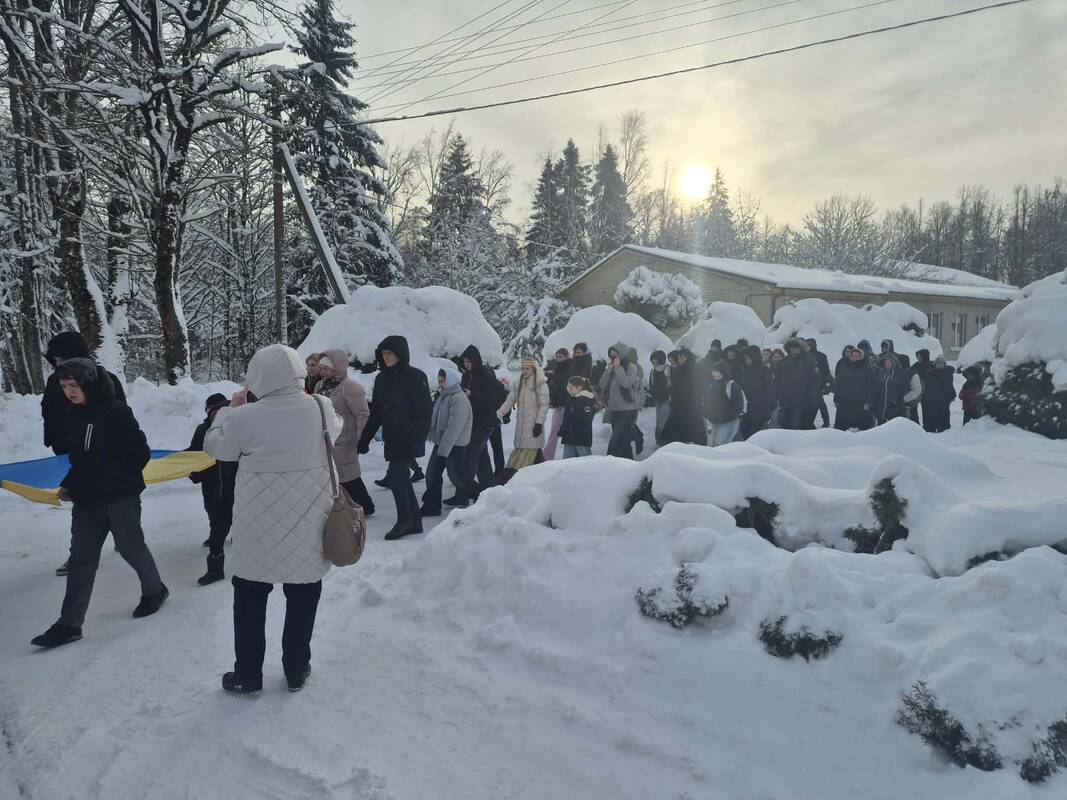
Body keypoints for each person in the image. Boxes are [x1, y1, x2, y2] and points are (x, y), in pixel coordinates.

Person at [204, 344, 341, 694]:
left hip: (257, 528)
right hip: (309, 523)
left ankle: (248, 674)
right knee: (304, 595)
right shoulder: (320, 407)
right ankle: (296, 669)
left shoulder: (244, 416)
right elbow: (336, 431)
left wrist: (226, 411)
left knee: (250, 598)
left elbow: (215, 448)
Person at [31, 358, 167, 649]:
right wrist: (71, 481)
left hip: (120, 498)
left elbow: (139, 454)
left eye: (74, 385)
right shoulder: (73, 415)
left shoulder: (116, 411)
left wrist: (105, 480)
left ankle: (155, 590)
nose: (69, 391)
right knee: (81, 559)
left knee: (130, 547)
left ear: (89, 383)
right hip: (87, 501)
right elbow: (82, 459)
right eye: (64, 385)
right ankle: (69, 624)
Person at [41, 331, 128, 577]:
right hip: (72, 455)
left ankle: (124, 540)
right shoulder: (55, 382)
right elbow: (50, 412)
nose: (57, 365)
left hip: (104, 454)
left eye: (59, 359)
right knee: (83, 503)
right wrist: (55, 442)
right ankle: (80, 555)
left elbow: (121, 413)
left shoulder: (105, 378)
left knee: (111, 500)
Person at [358, 336, 433, 541]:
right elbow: (377, 414)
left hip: (409, 438)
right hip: (392, 437)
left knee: (397, 477)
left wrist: (416, 438)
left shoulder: (415, 376)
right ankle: (414, 520)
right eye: (383, 353)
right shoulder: (382, 379)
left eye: (390, 352)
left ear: (400, 353)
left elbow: (425, 411)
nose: (386, 357)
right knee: (400, 479)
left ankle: (405, 519)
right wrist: (365, 439)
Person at [315, 351, 374, 517]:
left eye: (326, 368)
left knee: (349, 477)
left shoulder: (350, 387)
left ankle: (365, 506)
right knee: (333, 477)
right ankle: (341, 507)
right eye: (321, 368)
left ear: (337, 367)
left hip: (346, 440)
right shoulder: (320, 386)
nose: (322, 372)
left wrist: (362, 439)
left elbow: (362, 414)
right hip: (327, 439)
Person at [188, 393, 238, 585]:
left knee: (231, 521)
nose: (215, 417)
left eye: (219, 412)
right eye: (211, 413)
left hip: (234, 487)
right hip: (211, 485)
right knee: (212, 515)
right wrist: (192, 471)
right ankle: (216, 564)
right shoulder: (203, 430)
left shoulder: (235, 428)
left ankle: (218, 565)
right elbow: (194, 452)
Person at [421, 368, 475, 516]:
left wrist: (443, 450)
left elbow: (454, 428)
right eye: (439, 381)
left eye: (442, 381)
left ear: (450, 380)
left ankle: (481, 495)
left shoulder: (459, 399)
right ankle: (432, 505)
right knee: (432, 474)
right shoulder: (444, 396)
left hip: (455, 445)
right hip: (443, 443)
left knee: (457, 476)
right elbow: (436, 419)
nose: (440, 384)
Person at [458, 344, 502, 503]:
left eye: (469, 361)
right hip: (472, 421)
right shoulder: (466, 376)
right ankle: (489, 490)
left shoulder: (486, 375)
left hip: (485, 422)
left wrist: (472, 395)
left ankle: (463, 493)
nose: (466, 364)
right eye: (464, 361)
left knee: (470, 458)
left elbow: (491, 399)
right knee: (481, 459)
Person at [498, 357, 550, 476]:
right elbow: (510, 400)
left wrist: (539, 423)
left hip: (533, 426)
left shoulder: (541, 384)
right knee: (529, 454)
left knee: (529, 454)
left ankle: (517, 477)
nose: (524, 371)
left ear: (534, 369)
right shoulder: (519, 383)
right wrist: (498, 414)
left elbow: (544, 405)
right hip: (521, 427)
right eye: (523, 368)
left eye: (527, 368)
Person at [598, 343, 642, 459]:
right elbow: (602, 384)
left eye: (615, 355)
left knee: (615, 440)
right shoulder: (611, 367)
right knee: (623, 440)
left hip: (628, 409)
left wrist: (618, 368)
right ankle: (628, 464)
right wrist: (608, 372)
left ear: (621, 355)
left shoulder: (631, 367)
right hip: (614, 409)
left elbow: (626, 383)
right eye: (611, 356)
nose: (613, 358)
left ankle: (608, 463)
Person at [661, 350, 707, 445]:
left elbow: (698, 389)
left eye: (682, 358)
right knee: (675, 435)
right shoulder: (679, 370)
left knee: (696, 433)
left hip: (690, 407)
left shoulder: (695, 371)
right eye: (679, 358)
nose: (680, 360)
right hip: (678, 406)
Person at [777, 339, 820, 430]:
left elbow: (814, 380)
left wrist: (811, 396)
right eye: (791, 347)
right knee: (782, 423)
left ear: (801, 349)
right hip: (785, 398)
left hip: (801, 399)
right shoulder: (784, 361)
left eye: (796, 347)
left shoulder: (808, 360)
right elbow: (779, 379)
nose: (793, 350)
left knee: (794, 425)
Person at [737, 345, 776, 439]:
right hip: (747, 408)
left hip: (760, 409)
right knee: (745, 433)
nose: (746, 361)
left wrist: (768, 405)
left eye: (748, 358)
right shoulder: (745, 371)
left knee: (755, 435)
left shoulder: (764, 370)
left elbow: (770, 389)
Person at [704, 362, 746, 446]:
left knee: (721, 443)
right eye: (714, 377)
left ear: (724, 374)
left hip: (728, 420)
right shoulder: (712, 386)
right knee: (714, 442)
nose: (716, 379)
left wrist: (725, 417)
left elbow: (737, 406)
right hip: (715, 420)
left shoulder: (732, 386)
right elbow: (707, 403)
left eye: (718, 376)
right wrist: (708, 414)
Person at [833, 346, 875, 431]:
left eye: (857, 356)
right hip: (844, 403)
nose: (854, 358)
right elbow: (838, 385)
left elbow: (871, 387)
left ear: (861, 357)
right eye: (853, 356)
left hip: (860, 404)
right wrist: (836, 399)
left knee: (863, 430)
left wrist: (868, 403)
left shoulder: (867, 370)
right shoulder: (844, 368)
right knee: (840, 429)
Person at [543, 348, 572, 460]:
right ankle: (547, 457)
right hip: (558, 404)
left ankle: (569, 457)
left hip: (568, 403)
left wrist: (553, 378)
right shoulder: (556, 367)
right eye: (557, 357)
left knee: (568, 432)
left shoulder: (570, 367)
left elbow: (565, 383)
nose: (558, 359)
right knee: (554, 430)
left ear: (566, 356)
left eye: (560, 357)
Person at [559, 376, 597, 458]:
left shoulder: (585, 400)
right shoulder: (571, 399)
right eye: (568, 388)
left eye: (571, 388)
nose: (569, 390)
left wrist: (575, 429)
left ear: (579, 388)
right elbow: (567, 417)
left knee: (584, 460)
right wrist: (563, 429)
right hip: (569, 437)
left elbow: (587, 418)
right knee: (567, 460)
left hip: (581, 438)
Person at [870, 353, 909, 426]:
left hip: (895, 407)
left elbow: (904, 388)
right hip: (881, 407)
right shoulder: (880, 373)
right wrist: (875, 402)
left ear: (894, 363)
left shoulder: (900, 374)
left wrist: (895, 399)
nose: (887, 364)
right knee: (881, 428)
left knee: (894, 428)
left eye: (889, 362)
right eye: (886, 362)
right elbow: (875, 389)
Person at [920, 356, 955, 433]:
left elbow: (949, 385)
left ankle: (944, 431)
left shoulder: (948, 373)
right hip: (931, 399)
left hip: (944, 399)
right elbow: (925, 385)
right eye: (938, 363)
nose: (940, 365)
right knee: (931, 416)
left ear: (944, 364)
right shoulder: (929, 373)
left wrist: (952, 395)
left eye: (941, 363)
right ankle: (931, 430)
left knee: (944, 415)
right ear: (935, 364)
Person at [805, 337, 832, 428]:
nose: (809, 346)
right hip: (806, 384)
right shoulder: (804, 356)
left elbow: (826, 371)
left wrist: (823, 384)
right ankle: (809, 421)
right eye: (807, 344)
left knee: (820, 403)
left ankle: (826, 421)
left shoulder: (821, 356)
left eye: (811, 344)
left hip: (818, 384)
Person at [649, 350, 671, 446]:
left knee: (663, 419)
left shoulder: (668, 369)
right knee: (659, 419)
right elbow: (651, 383)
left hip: (667, 398)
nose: (654, 361)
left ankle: (662, 439)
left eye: (656, 359)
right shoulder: (653, 371)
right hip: (657, 399)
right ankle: (659, 439)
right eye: (653, 359)